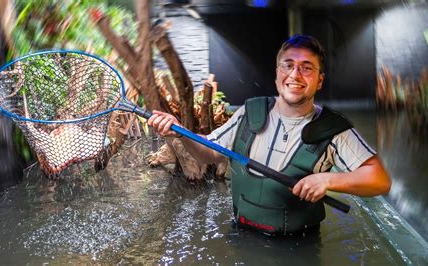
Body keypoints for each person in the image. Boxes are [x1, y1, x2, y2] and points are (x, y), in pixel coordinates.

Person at [147, 34, 391, 236]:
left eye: (307, 68)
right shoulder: (248, 112)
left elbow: (379, 179)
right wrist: (180, 132)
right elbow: (208, 154)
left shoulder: (334, 129)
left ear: (319, 81)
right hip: (242, 236)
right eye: (288, 65)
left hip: (300, 248)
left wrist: (328, 181)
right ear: (277, 74)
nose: (295, 74)